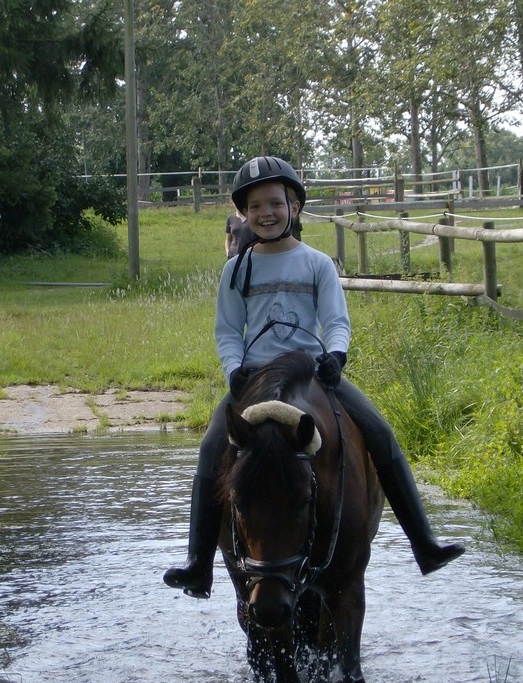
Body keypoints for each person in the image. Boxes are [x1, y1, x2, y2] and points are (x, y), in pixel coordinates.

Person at [164, 156, 464, 599]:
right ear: (244, 214)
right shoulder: (236, 270)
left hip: (313, 372)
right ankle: (198, 563)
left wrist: (336, 356)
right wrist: (233, 371)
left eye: (274, 203)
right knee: (212, 447)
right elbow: (228, 330)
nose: (265, 213)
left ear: (294, 207)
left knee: (379, 430)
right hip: (257, 380)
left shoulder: (318, 263)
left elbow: (336, 321)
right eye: (255, 206)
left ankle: (425, 544)